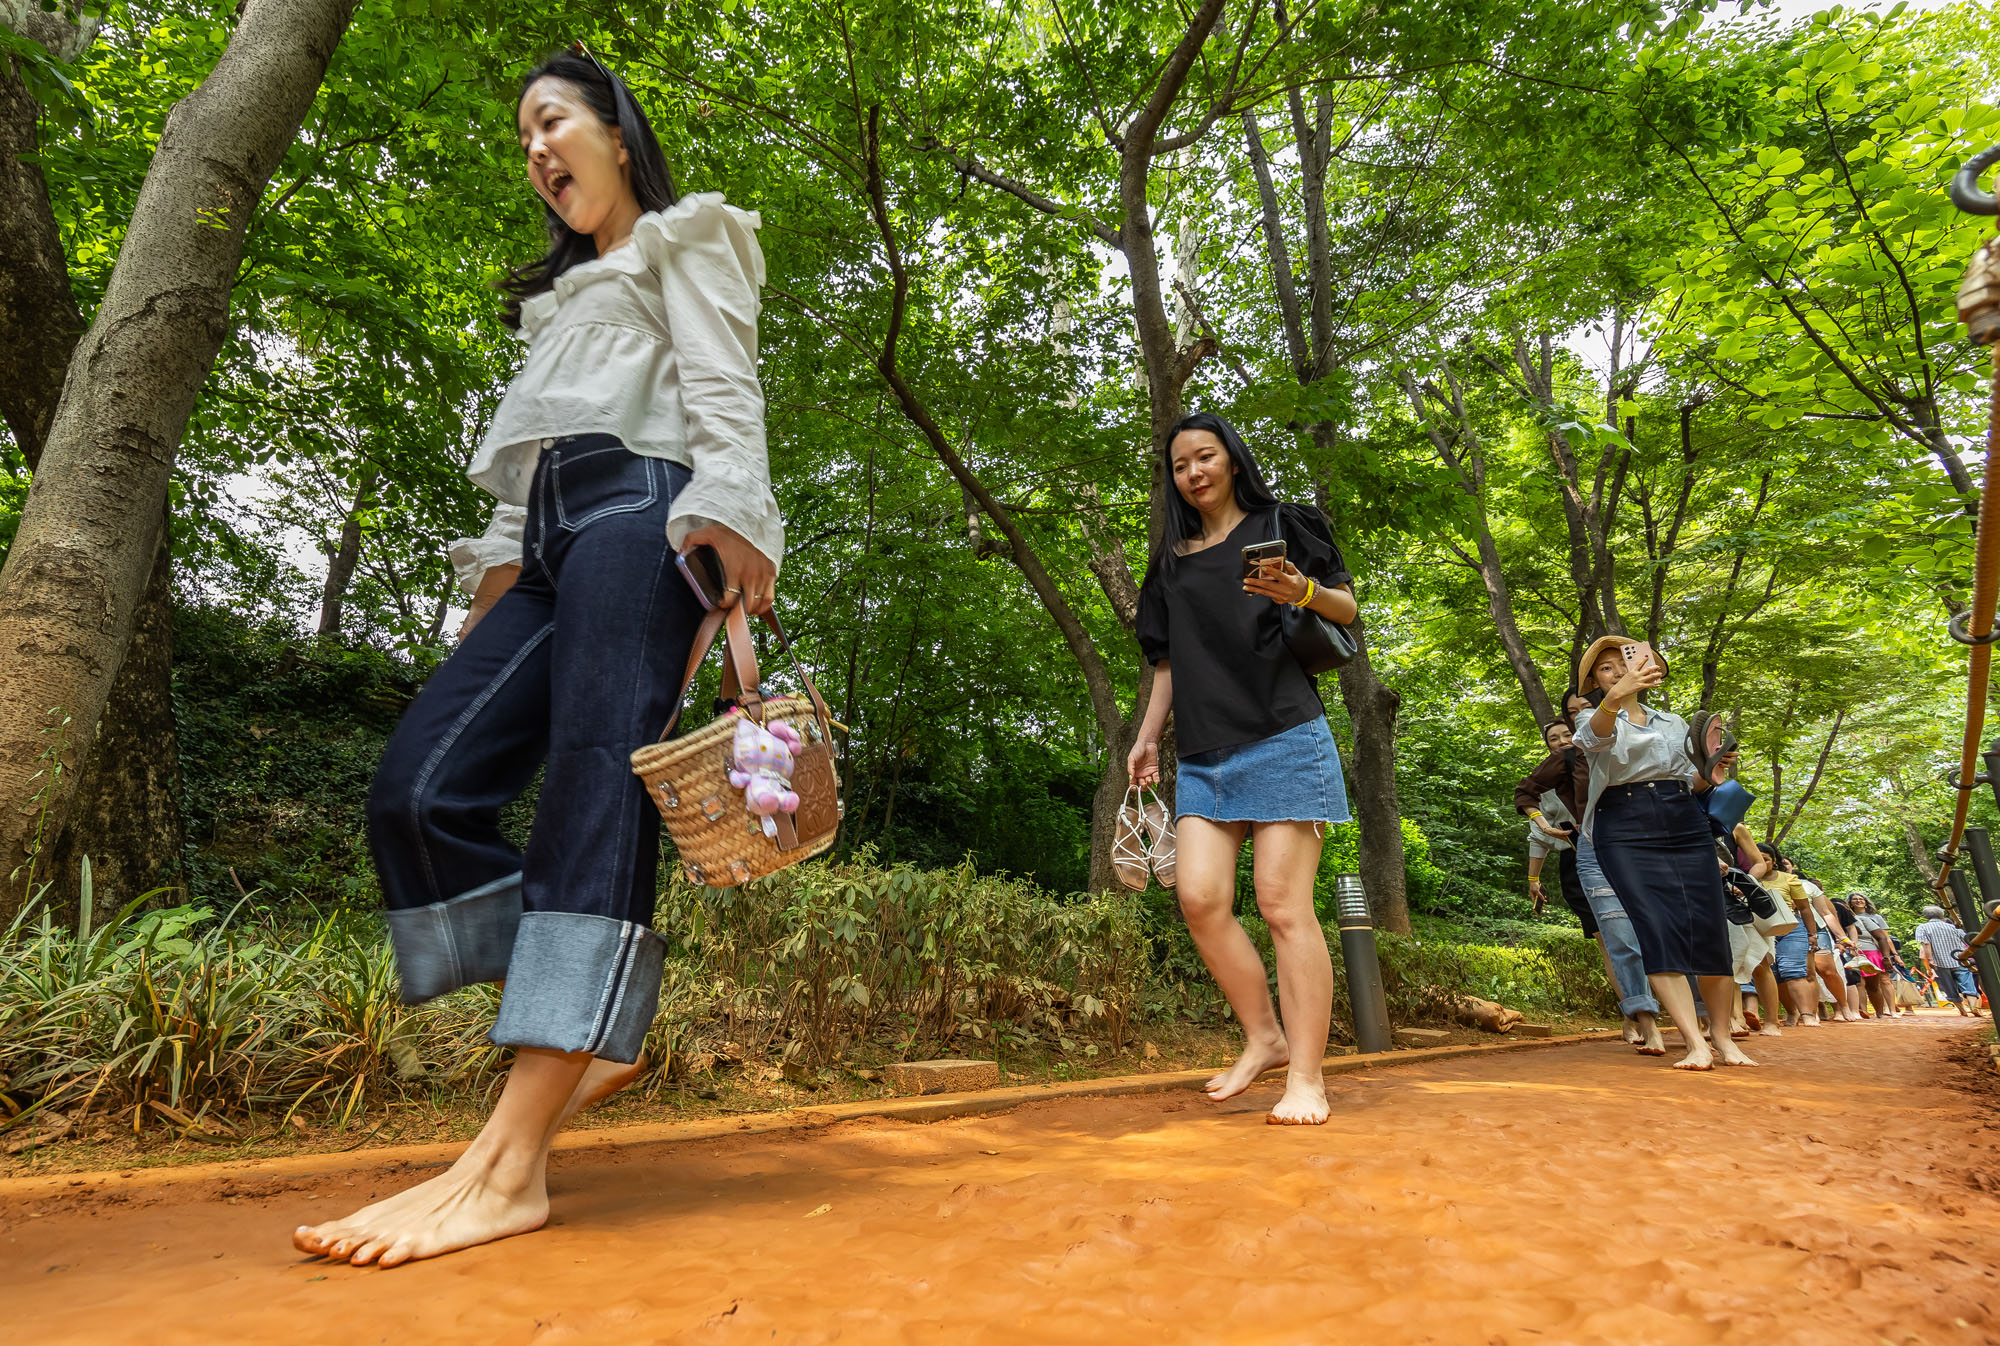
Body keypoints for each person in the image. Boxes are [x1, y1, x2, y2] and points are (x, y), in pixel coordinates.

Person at [295, 48, 783, 1267]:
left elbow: (726, 391)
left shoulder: (687, 237)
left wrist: (731, 533)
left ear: (616, 132)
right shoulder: (556, 303)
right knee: (419, 784)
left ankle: (506, 1165)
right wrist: (489, 598)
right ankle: (590, 1017)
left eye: (551, 121)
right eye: (523, 136)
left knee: (588, 787)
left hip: (649, 516)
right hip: (556, 540)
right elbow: (528, 473)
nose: (534, 149)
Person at [1128, 412, 1357, 1126]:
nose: (1194, 472)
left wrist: (1305, 593)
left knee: (1283, 906)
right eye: (1180, 465)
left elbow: (1347, 611)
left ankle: (1309, 1080)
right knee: (1199, 897)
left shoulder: (1287, 524)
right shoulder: (1172, 560)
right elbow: (1166, 661)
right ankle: (1264, 1035)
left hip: (1286, 732)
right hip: (1204, 750)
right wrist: (1146, 738)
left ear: (1232, 457)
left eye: (1205, 456)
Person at [1572, 638, 1753, 1069]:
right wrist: (1617, 696)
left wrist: (1715, 768)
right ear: (1595, 682)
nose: (1616, 673)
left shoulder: (1672, 721)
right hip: (1624, 824)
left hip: (1683, 819)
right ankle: (1694, 1042)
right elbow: (1593, 739)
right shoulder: (1593, 717)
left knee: (1708, 926)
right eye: (1606, 669)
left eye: (1623, 664)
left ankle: (1723, 1038)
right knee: (1654, 927)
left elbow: (1694, 782)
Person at [1515, 714, 1663, 1050]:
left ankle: (1666, 1012)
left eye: (1567, 733)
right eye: (1554, 738)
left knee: (1644, 936)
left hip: (1626, 852)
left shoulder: (1602, 759)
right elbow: (1537, 836)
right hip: (1579, 861)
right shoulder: (1552, 780)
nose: (1563, 741)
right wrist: (1533, 879)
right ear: (1548, 746)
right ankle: (1636, 1014)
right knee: (1612, 942)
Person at [1753, 843, 1824, 1026]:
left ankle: (1807, 1015)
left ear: (1774, 860)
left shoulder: (1789, 879)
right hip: (1760, 930)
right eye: (1757, 858)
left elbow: (1804, 908)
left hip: (1790, 928)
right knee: (1773, 973)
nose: (1762, 863)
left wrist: (1812, 934)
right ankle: (1791, 1013)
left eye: (1766, 859)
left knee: (1792, 970)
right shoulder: (1746, 878)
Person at [1915, 905, 1986, 1017]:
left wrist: (1930, 960)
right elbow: (1967, 941)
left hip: (1940, 963)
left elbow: (1926, 944)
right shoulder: (1953, 927)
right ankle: (1973, 1007)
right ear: (1942, 915)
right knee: (1968, 983)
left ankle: (1962, 1010)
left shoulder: (1922, 928)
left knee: (1949, 986)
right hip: (1959, 959)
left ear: (1925, 916)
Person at [1844, 893, 1902, 1018]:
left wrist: (1893, 955)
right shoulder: (1846, 918)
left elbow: (1885, 938)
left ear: (1866, 901)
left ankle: (1890, 1009)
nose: (1858, 901)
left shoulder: (1874, 917)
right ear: (1850, 903)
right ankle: (1862, 1011)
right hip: (1855, 954)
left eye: (1861, 899)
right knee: (1859, 983)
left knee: (1883, 981)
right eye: (1855, 899)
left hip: (1875, 952)